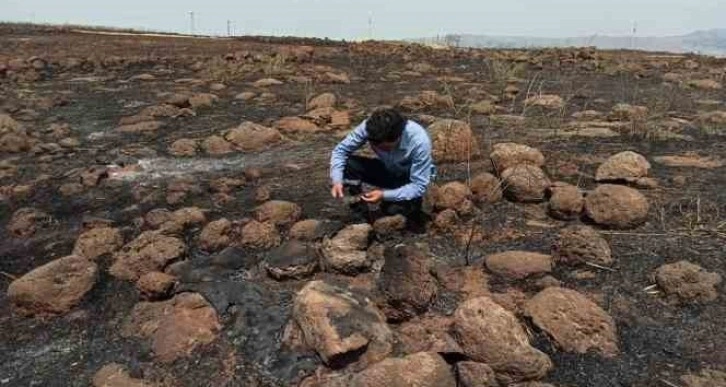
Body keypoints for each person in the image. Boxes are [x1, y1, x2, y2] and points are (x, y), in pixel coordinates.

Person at [329, 107, 435, 220]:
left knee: (395, 212)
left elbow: (418, 186)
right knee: (347, 164)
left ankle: (406, 207)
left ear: (398, 137)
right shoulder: (370, 127)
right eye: (377, 146)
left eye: (386, 147)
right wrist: (337, 180)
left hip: (410, 178)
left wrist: (384, 195)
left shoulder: (419, 141)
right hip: (389, 171)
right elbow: (340, 151)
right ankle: (359, 213)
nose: (382, 150)